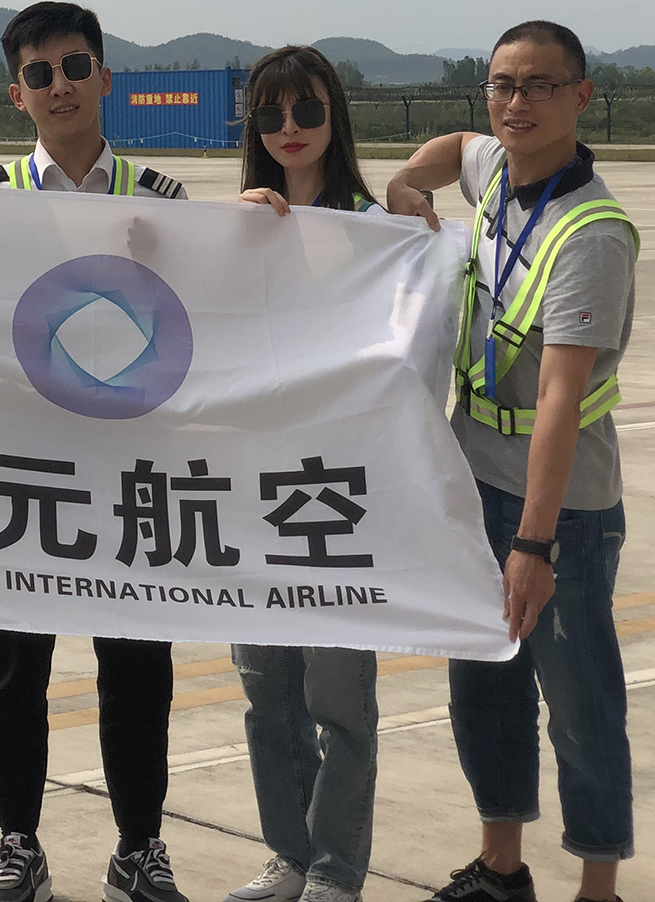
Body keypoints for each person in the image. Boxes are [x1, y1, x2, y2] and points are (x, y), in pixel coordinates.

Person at [386, 21, 638, 902]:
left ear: (581, 97)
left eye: (539, 86)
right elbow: (454, 147)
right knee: (485, 690)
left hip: (560, 509)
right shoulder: (497, 170)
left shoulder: (590, 233)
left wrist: (534, 545)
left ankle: (598, 887)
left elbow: (561, 401)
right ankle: (501, 867)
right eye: (502, 84)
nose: (515, 102)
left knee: (580, 706)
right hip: (477, 482)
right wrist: (404, 183)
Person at [0, 1, 191, 902]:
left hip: (131, 470)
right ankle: (16, 841)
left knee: (137, 667)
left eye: (73, 68)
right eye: (38, 74)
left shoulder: (163, 200)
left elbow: (211, 316)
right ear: (17, 95)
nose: (58, 87)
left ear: (105, 77)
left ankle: (139, 845)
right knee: (13, 670)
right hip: (23, 470)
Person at [226, 45, 382, 902]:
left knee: (339, 696)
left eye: (308, 111)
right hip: (250, 488)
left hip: (337, 493)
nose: (289, 128)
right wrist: (225, 238)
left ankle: (334, 870)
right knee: (267, 689)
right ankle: (288, 854)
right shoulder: (240, 225)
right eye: (271, 113)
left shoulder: (374, 227)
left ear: (335, 117)